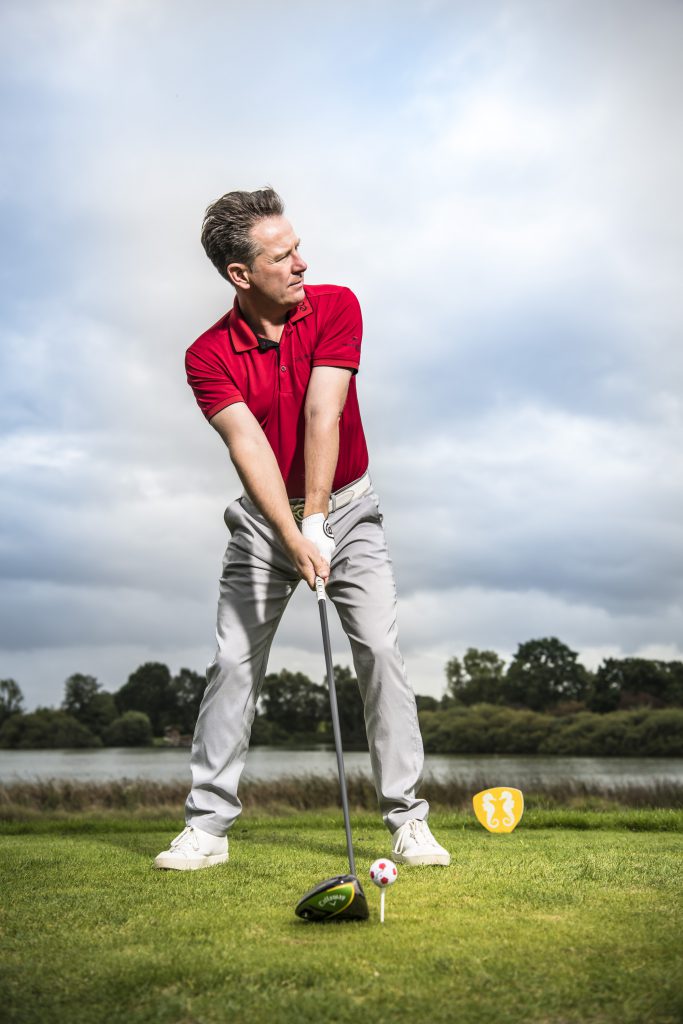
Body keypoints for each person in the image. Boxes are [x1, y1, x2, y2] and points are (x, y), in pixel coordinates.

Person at [154, 188, 450, 871]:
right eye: (282, 255)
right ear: (240, 273)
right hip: (262, 524)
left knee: (378, 649)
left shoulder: (336, 305)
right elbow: (249, 449)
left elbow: (325, 415)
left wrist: (318, 521)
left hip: (347, 504)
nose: (300, 262)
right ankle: (207, 828)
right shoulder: (208, 356)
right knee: (234, 662)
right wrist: (291, 534)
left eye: (297, 247)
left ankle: (407, 819)